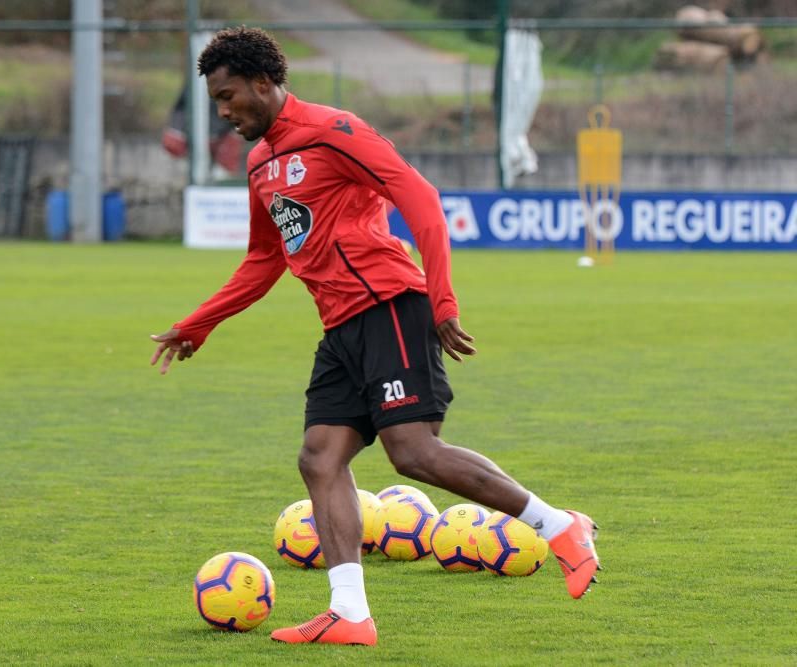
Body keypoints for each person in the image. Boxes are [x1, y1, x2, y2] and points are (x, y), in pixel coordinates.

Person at [150, 26, 600, 647]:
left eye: (229, 96)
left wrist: (441, 298)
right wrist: (198, 324)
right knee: (319, 458)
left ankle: (559, 527)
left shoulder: (335, 131)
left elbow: (419, 197)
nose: (224, 112)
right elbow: (264, 259)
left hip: (389, 304)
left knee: (412, 453)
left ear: (263, 82)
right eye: (216, 102)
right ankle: (350, 614)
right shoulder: (260, 164)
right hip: (340, 327)